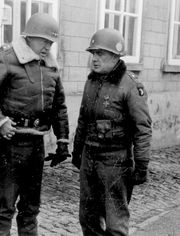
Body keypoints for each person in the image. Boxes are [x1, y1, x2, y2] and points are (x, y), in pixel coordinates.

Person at [0, 13, 70, 236]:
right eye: (44, 40)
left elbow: (59, 105)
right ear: (29, 37)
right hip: (10, 143)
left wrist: (63, 140)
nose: (47, 46)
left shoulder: (50, 65)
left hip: (36, 144)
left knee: (31, 208)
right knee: (5, 207)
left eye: (51, 42)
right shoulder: (7, 56)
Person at [72, 28, 152, 236]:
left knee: (115, 223)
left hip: (115, 161)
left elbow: (142, 128)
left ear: (116, 56)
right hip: (89, 159)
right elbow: (83, 119)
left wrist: (141, 164)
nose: (95, 59)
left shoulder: (130, 85)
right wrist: (77, 152)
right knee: (88, 218)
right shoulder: (91, 82)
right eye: (93, 54)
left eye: (100, 54)